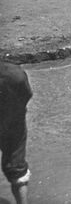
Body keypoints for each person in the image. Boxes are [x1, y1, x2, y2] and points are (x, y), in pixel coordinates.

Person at [1, 61, 32, 204]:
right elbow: (26, 95)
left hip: (12, 119)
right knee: (17, 167)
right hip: (13, 121)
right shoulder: (14, 73)